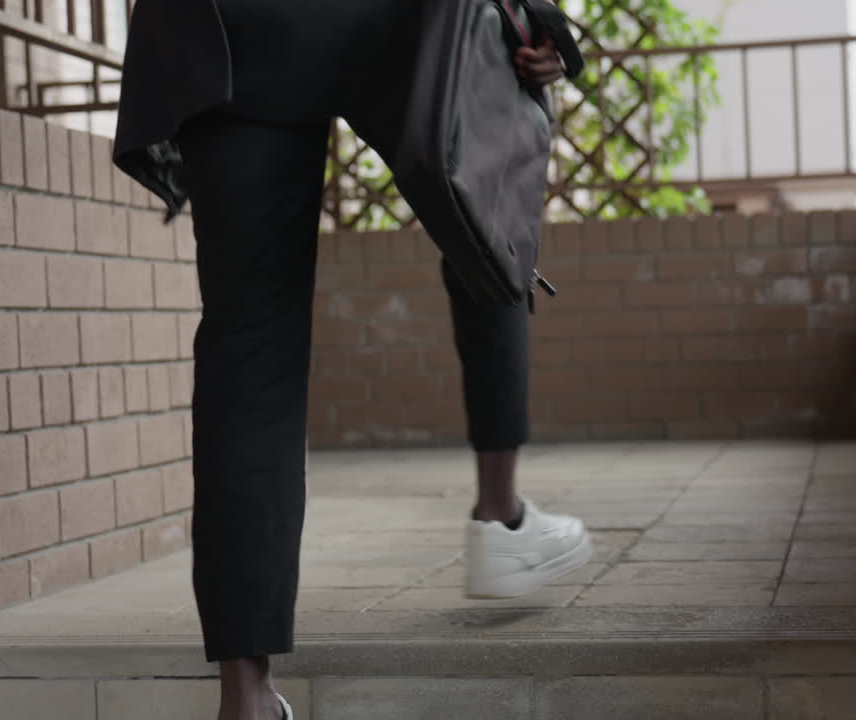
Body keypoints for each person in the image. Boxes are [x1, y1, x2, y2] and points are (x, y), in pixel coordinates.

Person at [114, 2, 591, 718]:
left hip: (226, 25)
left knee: (249, 341)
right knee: (485, 197)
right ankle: (500, 516)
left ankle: (244, 700)